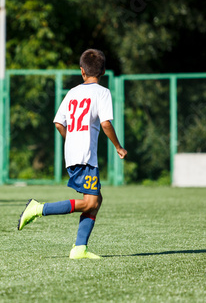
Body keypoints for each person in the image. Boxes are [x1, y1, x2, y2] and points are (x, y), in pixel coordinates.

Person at [17, 49, 127, 259]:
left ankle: (79, 248)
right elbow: (105, 123)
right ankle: (38, 209)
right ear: (103, 71)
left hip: (74, 153)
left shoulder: (72, 92)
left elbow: (59, 123)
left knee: (96, 199)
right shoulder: (102, 93)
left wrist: (71, 140)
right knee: (90, 203)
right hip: (85, 156)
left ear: (82, 71)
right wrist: (118, 147)